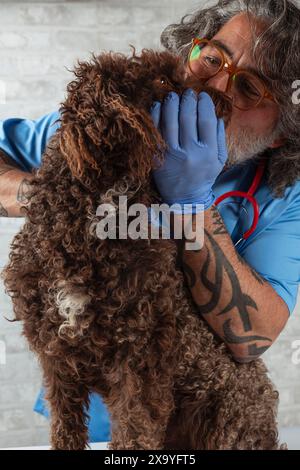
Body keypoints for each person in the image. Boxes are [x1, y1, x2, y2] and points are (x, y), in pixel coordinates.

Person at [1, 0, 300, 444]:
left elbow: (252, 337)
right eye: (213, 57)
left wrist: (192, 206)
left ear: (281, 131)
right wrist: (63, 199)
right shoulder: (112, 122)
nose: (214, 85)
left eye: (250, 89)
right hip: (94, 414)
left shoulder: (284, 195)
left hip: (195, 426)